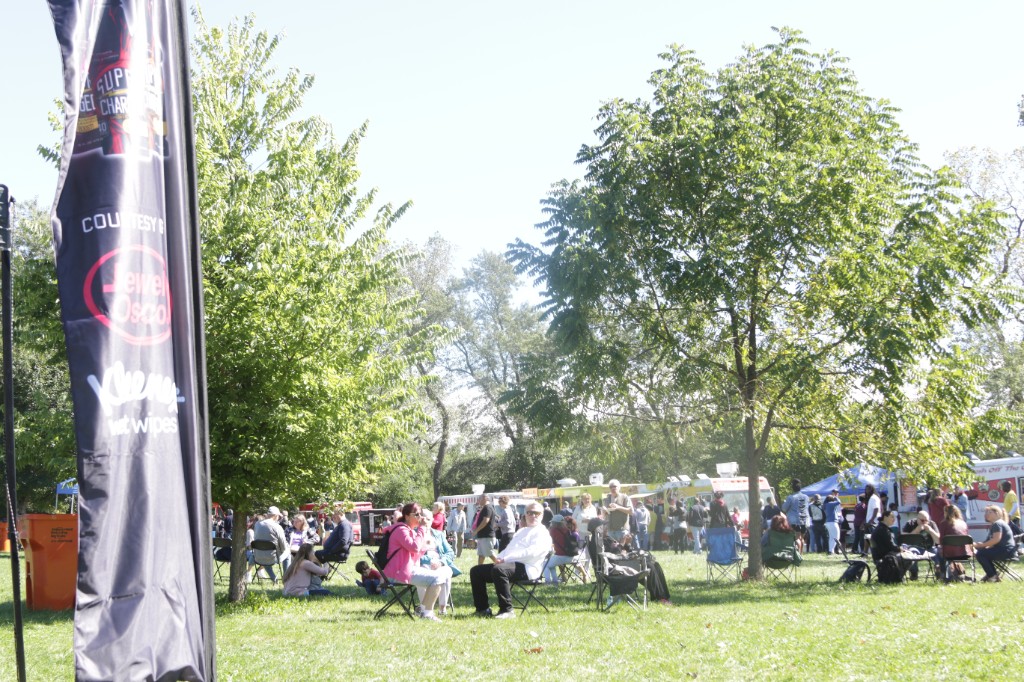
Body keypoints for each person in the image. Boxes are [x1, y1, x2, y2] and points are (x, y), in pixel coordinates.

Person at [471, 501, 553, 619]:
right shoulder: (521, 531)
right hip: (511, 564)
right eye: (530, 513)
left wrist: (506, 558)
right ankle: (482, 609)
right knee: (476, 571)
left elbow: (532, 553)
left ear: (542, 515)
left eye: (537, 513)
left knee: (499, 570)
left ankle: (507, 610)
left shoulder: (542, 533)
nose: (533, 516)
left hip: (528, 568)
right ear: (525, 515)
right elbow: (509, 549)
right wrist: (500, 557)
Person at [380, 502, 452, 621]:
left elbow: (416, 551)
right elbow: (414, 547)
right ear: (407, 516)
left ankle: (423, 610)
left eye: (420, 514)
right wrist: (422, 529)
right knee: (437, 579)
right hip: (398, 572)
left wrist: (426, 545)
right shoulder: (401, 530)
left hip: (404, 568)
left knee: (440, 576)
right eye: (417, 514)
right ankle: (427, 613)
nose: (420, 517)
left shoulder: (408, 529)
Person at [419, 508, 457, 616]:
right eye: (423, 518)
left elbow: (450, 552)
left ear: (432, 520)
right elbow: (413, 555)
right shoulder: (414, 534)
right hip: (422, 564)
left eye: (429, 518)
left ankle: (442, 608)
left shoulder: (438, 534)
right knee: (422, 571)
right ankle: (424, 608)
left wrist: (441, 562)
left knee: (446, 572)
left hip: (439, 563)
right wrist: (429, 561)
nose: (426, 521)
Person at [973, 505, 1017, 583]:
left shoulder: (997, 524)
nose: (986, 514)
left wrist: (981, 545)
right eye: (985, 512)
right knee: (982, 551)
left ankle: (992, 575)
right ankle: (992, 574)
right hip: (1007, 551)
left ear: (996, 513)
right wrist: (978, 545)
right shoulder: (998, 523)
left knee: (980, 554)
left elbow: (996, 539)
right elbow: (990, 542)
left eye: (989, 512)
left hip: (1005, 551)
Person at [252, 506, 289, 581]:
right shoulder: (277, 527)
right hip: (272, 558)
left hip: (258, 557)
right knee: (288, 552)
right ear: (276, 516)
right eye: (278, 516)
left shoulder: (257, 524)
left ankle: (274, 578)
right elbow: (283, 547)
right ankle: (286, 578)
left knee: (265, 552)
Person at [936, 505, 972, 580]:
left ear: (946, 513)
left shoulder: (944, 523)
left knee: (938, 551)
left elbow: (941, 541)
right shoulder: (963, 523)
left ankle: (943, 574)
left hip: (949, 554)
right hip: (965, 553)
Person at [544, 515, 581, 585]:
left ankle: (548, 582)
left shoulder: (553, 530)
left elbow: (547, 540)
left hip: (560, 556)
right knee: (551, 565)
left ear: (554, 522)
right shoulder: (567, 530)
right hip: (571, 556)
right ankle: (555, 581)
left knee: (545, 565)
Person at [782, 479, 809, 552]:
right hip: (804, 519)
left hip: (794, 520)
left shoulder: (791, 497)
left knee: (797, 538)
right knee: (802, 538)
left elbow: (784, 508)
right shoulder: (806, 497)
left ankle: (797, 554)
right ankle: (801, 553)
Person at [472, 493, 496, 566]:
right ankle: (479, 570)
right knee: (481, 554)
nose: (478, 501)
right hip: (483, 536)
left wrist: (476, 530)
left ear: (485, 498)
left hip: (487, 535)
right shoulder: (485, 507)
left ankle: (502, 565)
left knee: (490, 554)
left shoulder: (487, 508)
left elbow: (486, 520)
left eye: (479, 499)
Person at [822, 489, 843, 554]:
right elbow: (839, 502)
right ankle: (831, 551)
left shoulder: (825, 505)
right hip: (833, 522)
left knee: (831, 537)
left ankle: (831, 550)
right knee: (837, 537)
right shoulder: (830, 504)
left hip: (828, 522)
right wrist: (835, 496)